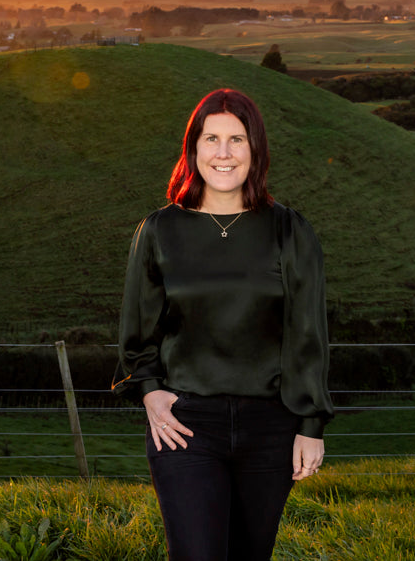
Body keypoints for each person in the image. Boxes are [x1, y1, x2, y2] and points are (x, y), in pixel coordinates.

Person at [113, 88, 334, 561]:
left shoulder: (289, 231)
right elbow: (138, 329)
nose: (224, 153)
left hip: (271, 427)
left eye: (237, 139)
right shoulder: (160, 230)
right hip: (186, 424)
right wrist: (149, 390)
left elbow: (308, 335)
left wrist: (311, 424)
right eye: (211, 139)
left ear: (256, 149)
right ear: (193, 149)